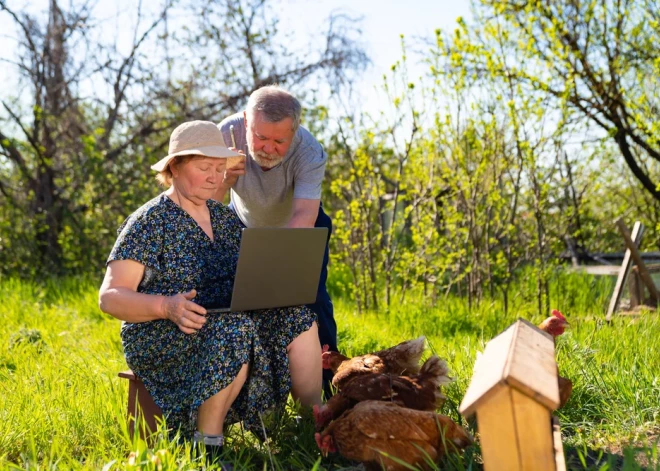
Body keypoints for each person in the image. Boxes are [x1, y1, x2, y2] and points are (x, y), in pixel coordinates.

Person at [98, 121, 322, 464]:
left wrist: (270, 289)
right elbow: (110, 296)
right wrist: (166, 306)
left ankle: (312, 425)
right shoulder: (149, 221)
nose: (215, 177)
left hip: (220, 318)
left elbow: (241, 276)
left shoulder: (224, 217)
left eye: (220, 169)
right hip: (163, 330)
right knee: (234, 330)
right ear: (174, 167)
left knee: (299, 318)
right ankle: (207, 446)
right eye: (204, 168)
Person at [216, 85, 337, 396]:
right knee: (233, 297)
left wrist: (275, 269)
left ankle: (327, 387)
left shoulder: (310, 152)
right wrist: (225, 179)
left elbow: (303, 218)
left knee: (310, 297)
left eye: (279, 141)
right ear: (245, 121)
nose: (267, 148)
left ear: (294, 133)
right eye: (260, 137)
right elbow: (207, 203)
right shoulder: (224, 135)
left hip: (296, 225)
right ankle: (247, 386)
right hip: (241, 220)